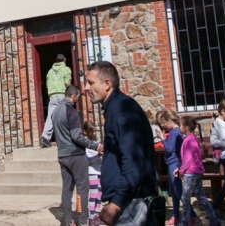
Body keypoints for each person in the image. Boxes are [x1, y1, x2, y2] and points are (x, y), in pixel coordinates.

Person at [84, 61, 161, 226]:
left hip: (134, 202)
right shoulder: (115, 107)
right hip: (128, 201)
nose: (86, 88)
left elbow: (132, 159)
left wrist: (117, 203)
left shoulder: (121, 108)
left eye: (90, 83)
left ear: (107, 84)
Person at [52, 84, 101, 226]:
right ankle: (83, 220)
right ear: (74, 96)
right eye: (78, 97)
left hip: (62, 155)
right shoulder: (71, 112)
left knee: (66, 189)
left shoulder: (55, 112)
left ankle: (68, 222)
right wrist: (95, 145)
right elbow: (76, 136)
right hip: (75, 155)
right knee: (82, 189)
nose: (78, 100)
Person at [176, 116, 220, 226]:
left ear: (186, 128)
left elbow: (188, 159)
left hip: (191, 173)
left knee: (185, 199)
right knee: (201, 197)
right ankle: (214, 220)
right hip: (197, 172)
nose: (179, 127)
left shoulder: (189, 141)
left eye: (180, 125)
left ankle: (184, 223)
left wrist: (182, 171)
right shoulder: (192, 139)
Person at [156, 110, 197, 226]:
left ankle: (193, 216)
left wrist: (163, 138)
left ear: (168, 121)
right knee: (173, 191)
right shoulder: (175, 131)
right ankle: (176, 215)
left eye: (162, 123)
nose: (162, 126)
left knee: (178, 190)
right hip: (171, 162)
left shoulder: (174, 132)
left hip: (174, 162)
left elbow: (169, 149)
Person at [40, 54, 72, 148]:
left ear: (56, 61)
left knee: (50, 117)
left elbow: (47, 86)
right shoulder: (66, 69)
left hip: (53, 96)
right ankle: (68, 137)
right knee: (66, 116)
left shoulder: (50, 71)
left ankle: (45, 137)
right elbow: (67, 83)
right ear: (64, 60)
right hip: (62, 94)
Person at [83, 121, 103, 226]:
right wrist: (98, 155)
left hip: (99, 170)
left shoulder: (96, 142)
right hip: (92, 172)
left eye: (95, 131)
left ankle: (96, 214)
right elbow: (88, 159)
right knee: (94, 194)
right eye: (92, 131)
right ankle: (91, 216)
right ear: (85, 132)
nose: (94, 133)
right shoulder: (85, 143)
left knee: (100, 194)